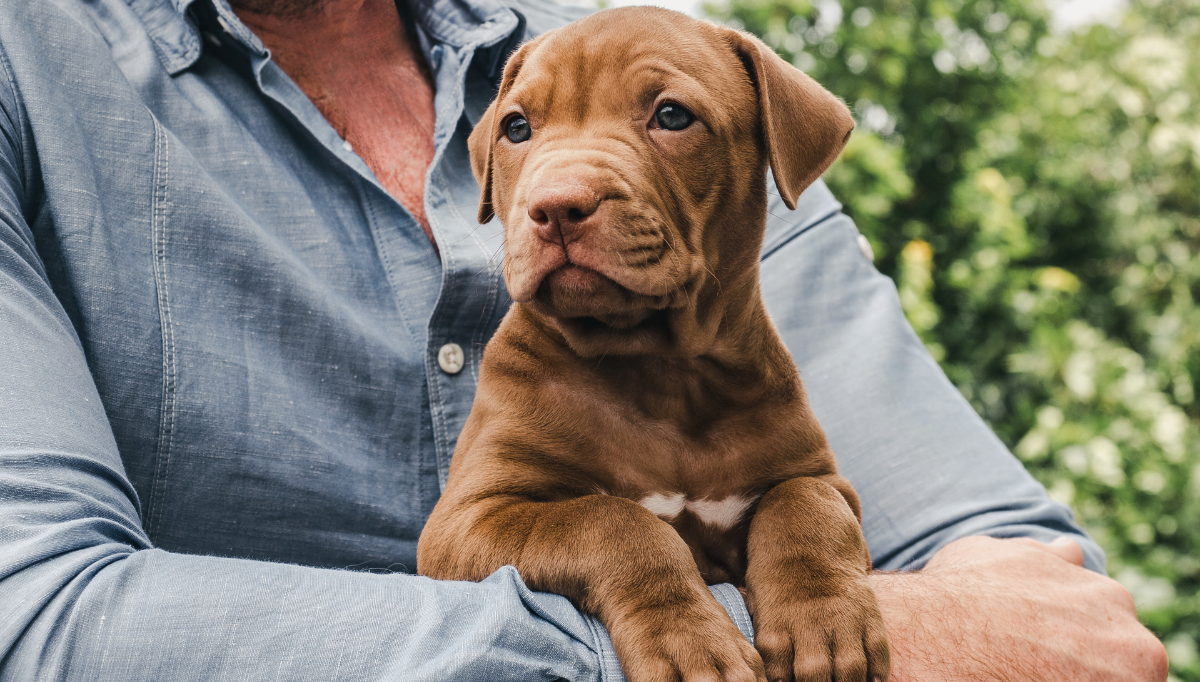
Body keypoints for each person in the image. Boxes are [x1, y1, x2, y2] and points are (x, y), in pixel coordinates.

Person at [0, 0, 1167, 678]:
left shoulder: (624, 39)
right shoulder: (27, 67)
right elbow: (38, 617)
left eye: (663, 121)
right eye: (521, 138)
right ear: (496, 170)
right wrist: (671, 637)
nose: (562, 180)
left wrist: (820, 570)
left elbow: (1035, 602)